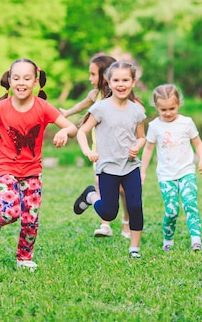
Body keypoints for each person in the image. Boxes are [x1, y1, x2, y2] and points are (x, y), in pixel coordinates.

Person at [0, 58, 77, 271]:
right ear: (10, 80)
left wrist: (63, 131)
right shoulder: (0, 108)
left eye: (27, 78)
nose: (21, 82)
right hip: (5, 168)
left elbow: (72, 128)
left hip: (32, 171)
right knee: (10, 211)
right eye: (16, 78)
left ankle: (24, 258)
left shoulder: (43, 107)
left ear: (35, 81)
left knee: (30, 219)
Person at [73, 61, 146, 258]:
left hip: (131, 167)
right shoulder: (101, 108)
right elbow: (82, 132)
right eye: (116, 80)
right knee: (108, 213)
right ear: (108, 82)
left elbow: (141, 137)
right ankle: (90, 195)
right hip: (107, 168)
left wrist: (137, 146)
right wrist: (87, 150)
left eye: (125, 80)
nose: (121, 84)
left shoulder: (137, 110)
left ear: (133, 82)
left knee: (135, 205)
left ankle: (134, 248)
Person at [60, 54, 131, 239]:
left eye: (93, 74)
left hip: (122, 150)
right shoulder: (95, 95)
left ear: (105, 74)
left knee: (123, 189)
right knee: (103, 186)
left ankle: (126, 223)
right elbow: (81, 104)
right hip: (100, 152)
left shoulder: (119, 95)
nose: (90, 78)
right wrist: (67, 112)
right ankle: (105, 224)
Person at [140, 84, 202, 252]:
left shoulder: (186, 123)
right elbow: (148, 149)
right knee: (171, 211)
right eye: (163, 110)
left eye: (172, 108)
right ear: (156, 107)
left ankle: (196, 240)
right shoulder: (155, 126)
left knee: (190, 204)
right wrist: (142, 171)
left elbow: (198, 144)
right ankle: (168, 240)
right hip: (166, 175)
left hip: (186, 172)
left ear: (179, 104)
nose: (168, 112)